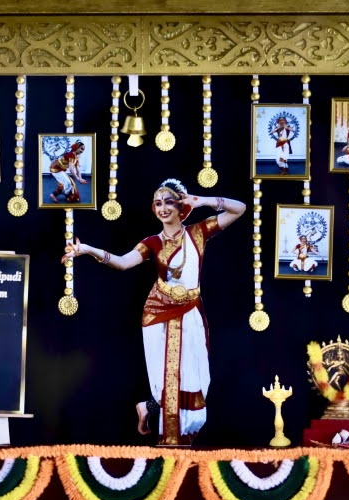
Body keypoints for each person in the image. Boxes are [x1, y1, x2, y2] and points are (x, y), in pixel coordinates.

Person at [64, 178, 245, 446]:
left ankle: (150, 408)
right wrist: (88, 250)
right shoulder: (152, 243)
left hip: (190, 310)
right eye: (158, 204)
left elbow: (239, 208)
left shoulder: (198, 233)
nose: (163, 208)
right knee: (168, 376)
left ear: (181, 206)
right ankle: (172, 441)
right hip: (159, 312)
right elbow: (123, 263)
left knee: (194, 375)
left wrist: (202, 201)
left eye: (169, 202)